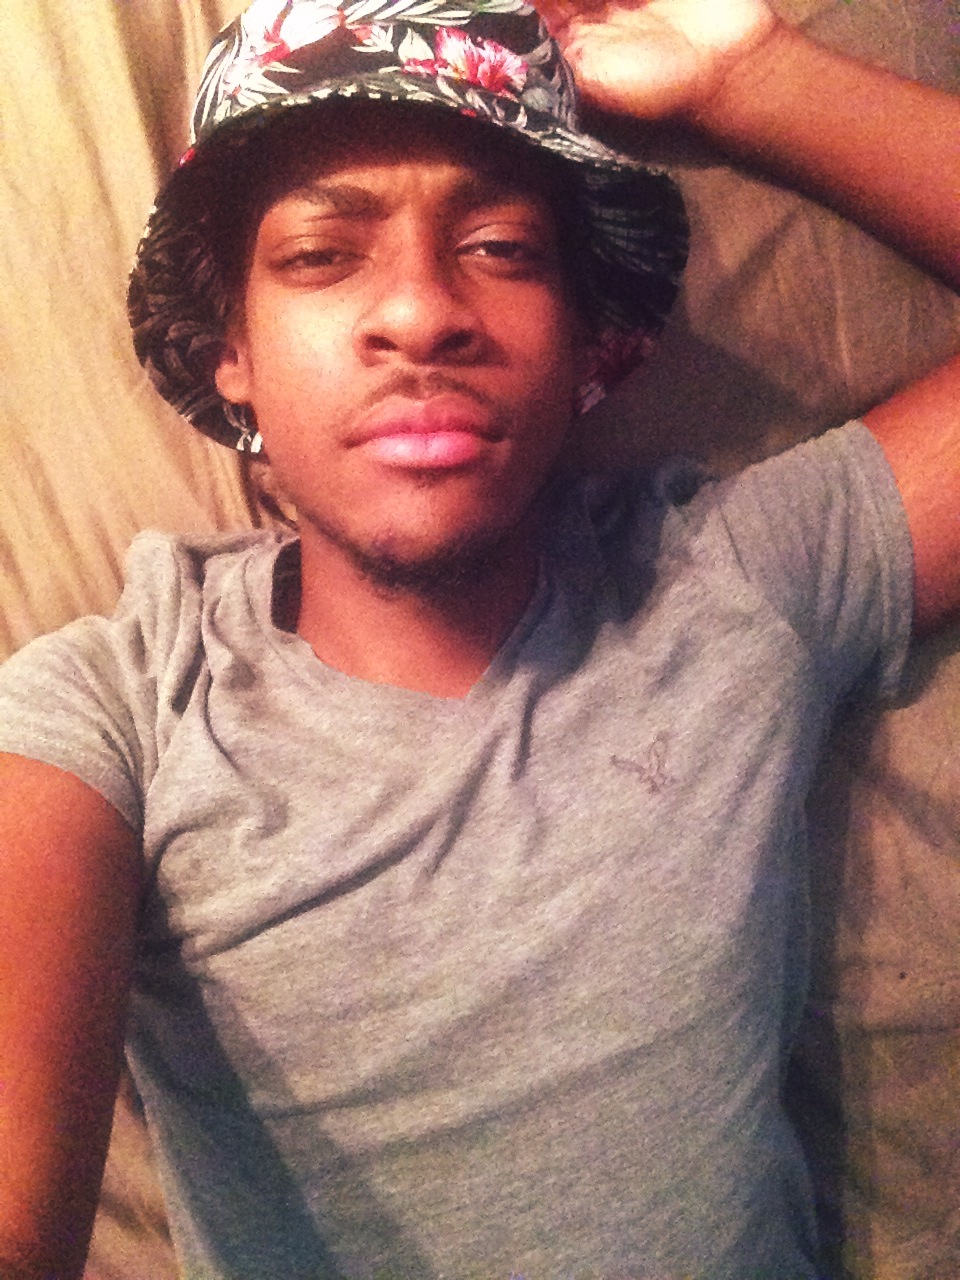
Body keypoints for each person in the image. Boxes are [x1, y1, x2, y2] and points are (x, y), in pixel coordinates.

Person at [0, 0, 957, 1275]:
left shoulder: (736, 583)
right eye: (322, 255)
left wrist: (751, 78)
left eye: (501, 248)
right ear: (232, 349)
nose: (419, 312)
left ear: (586, 341)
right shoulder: (117, 706)